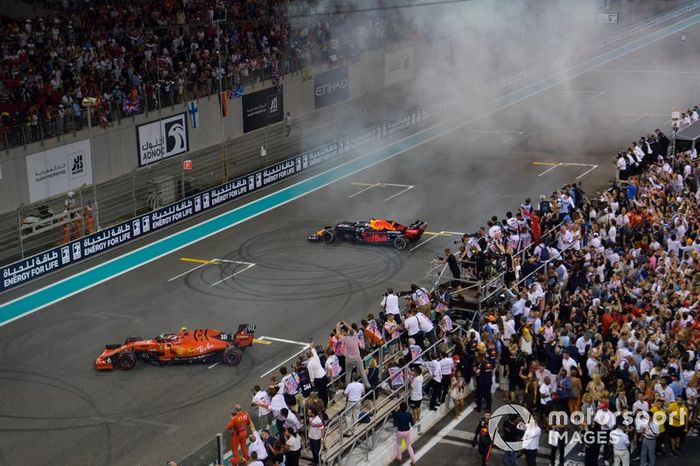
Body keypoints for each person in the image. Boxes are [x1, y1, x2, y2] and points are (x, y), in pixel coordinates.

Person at [336, 321, 370, 388]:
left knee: (348, 373)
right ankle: (367, 385)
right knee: (362, 372)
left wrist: (337, 326)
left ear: (348, 333)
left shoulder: (345, 339)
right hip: (357, 357)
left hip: (349, 359)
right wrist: (346, 324)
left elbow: (338, 334)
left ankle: (348, 386)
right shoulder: (355, 335)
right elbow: (351, 329)